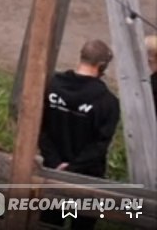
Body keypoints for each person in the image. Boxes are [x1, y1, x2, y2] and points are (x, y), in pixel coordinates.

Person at [38, 39, 120, 229]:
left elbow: (40, 128)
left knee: (48, 223)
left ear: (81, 57)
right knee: (82, 225)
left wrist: (55, 162)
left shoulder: (51, 86)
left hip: (52, 171)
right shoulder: (108, 102)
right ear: (101, 66)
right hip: (88, 176)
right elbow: (100, 145)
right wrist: (74, 167)